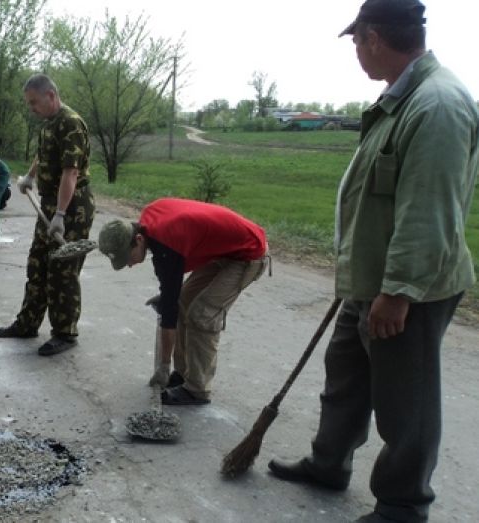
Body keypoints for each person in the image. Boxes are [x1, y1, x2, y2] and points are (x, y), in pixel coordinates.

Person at [266, 2, 479, 521]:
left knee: (406, 400)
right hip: (368, 281)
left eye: (357, 42)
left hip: (409, 289)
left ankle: (404, 503)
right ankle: (329, 463)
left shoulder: (438, 105)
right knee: (346, 375)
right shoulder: (400, 99)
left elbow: (427, 210)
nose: (357, 53)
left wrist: (398, 292)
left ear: (374, 37)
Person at [97, 198, 268, 405]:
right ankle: (183, 373)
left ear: (139, 240)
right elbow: (172, 287)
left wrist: (162, 365)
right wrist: (169, 295)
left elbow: (168, 316)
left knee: (202, 314)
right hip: (223, 251)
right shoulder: (151, 223)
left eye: (128, 257)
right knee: (182, 302)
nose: (130, 265)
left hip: (248, 253)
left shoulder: (166, 244)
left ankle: (197, 389)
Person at [0, 74, 95, 356]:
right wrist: (30, 175)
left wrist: (61, 214)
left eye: (34, 102)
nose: (32, 108)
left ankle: (65, 333)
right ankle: (27, 323)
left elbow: (70, 171)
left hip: (73, 206)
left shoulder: (71, 123)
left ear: (51, 95)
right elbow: (45, 155)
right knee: (37, 264)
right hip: (51, 202)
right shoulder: (50, 122)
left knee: (63, 270)